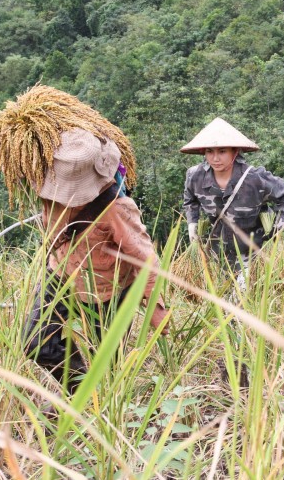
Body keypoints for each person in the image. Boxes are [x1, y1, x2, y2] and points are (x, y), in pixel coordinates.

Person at [23, 129, 170, 395]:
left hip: (108, 290)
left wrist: (155, 308)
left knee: (109, 365)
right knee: (35, 342)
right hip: (60, 276)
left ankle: (102, 405)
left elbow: (144, 257)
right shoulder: (50, 193)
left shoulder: (117, 207)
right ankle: (83, 393)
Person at [180, 117, 284, 271]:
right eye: (210, 152)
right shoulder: (195, 176)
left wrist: (275, 230)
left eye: (222, 151)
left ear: (235, 152)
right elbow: (190, 200)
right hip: (216, 257)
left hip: (253, 256)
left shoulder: (255, 179)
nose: (215, 158)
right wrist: (192, 223)